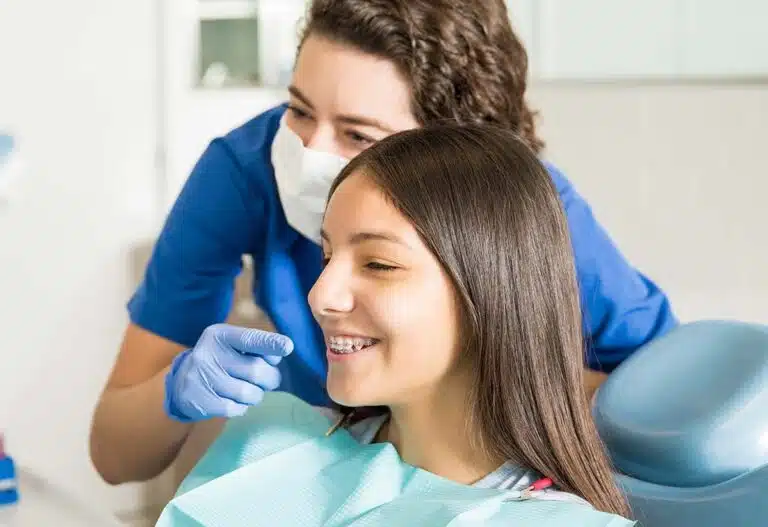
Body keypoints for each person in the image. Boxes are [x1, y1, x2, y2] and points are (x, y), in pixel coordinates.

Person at [89, 0, 676, 485]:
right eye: (297, 109)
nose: (309, 152)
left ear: (457, 162)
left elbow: (673, 409)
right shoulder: (245, 171)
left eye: (357, 133)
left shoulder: (530, 214)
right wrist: (176, 390)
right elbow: (115, 456)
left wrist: (508, 382)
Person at [156, 124, 634, 526]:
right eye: (326, 257)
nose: (321, 296)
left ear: (489, 293)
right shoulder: (270, 443)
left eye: (379, 264)